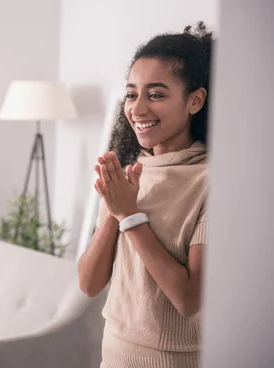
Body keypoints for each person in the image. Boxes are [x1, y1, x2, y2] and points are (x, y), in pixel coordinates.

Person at [78, 22, 213, 367]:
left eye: (156, 94)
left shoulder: (212, 181)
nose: (137, 110)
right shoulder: (128, 172)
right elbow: (90, 284)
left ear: (195, 100)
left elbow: (188, 298)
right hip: (114, 352)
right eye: (131, 94)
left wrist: (129, 215)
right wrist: (114, 208)